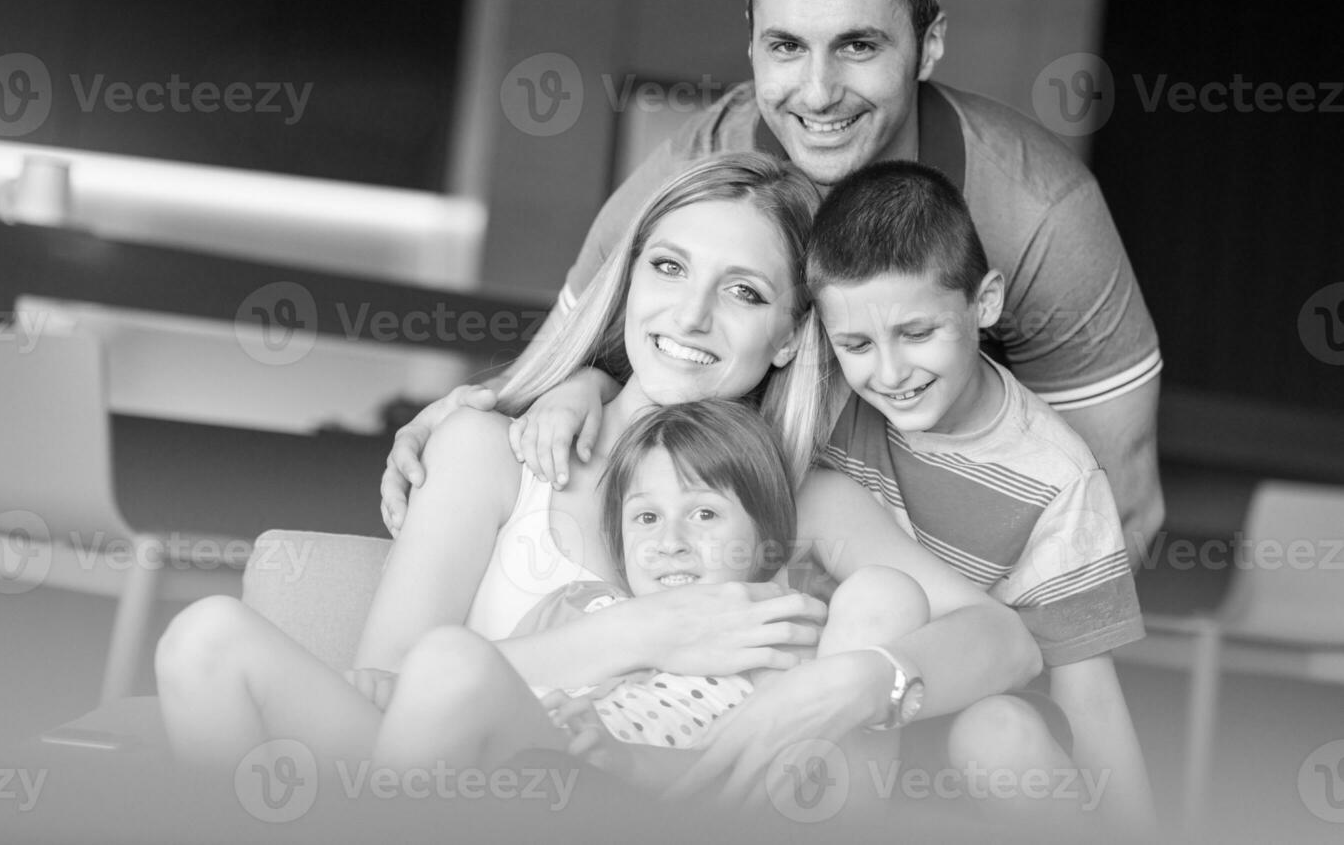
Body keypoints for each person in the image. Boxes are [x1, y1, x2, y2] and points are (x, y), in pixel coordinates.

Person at [156, 153, 1039, 809]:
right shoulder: (491, 451)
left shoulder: (797, 496)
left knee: (459, 673)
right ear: (626, 288)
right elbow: (391, 683)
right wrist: (647, 631)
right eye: (668, 268)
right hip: (431, 772)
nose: (689, 315)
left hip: (611, 801)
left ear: (786, 337)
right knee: (205, 637)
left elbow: (1007, 639)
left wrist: (860, 683)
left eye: (743, 292)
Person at [381, 0, 1164, 568]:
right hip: (756, 559)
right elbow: (573, 358)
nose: (817, 93)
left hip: (952, 588)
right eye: (786, 46)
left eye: (857, 46)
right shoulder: (699, 164)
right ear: (751, 42)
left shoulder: (1039, 213)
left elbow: (1118, 511)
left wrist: (971, 671)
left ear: (929, 46)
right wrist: (468, 423)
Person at [798, 159, 1155, 828]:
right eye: (856, 343)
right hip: (831, 694)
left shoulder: (1059, 476)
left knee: (999, 734)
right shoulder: (823, 401)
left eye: (916, 332)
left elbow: (1091, 697)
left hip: (964, 702)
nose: (891, 371)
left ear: (983, 303)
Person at [371, 399, 928, 816]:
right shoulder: (577, 607)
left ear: (768, 542)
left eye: (705, 514)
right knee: (447, 661)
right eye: (646, 517)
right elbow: (494, 693)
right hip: (526, 778)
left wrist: (630, 762)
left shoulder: (772, 639)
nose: (670, 540)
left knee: (448, 657)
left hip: (656, 801)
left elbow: (746, 774)